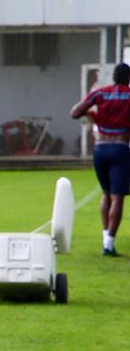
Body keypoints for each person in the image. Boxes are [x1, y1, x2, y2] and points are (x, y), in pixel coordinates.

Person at [70, 62, 130, 256]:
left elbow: (74, 113)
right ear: (128, 78)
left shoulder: (100, 93)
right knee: (117, 198)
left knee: (106, 194)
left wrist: (92, 114)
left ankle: (105, 237)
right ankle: (109, 245)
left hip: (100, 148)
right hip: (120, 148)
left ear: (113, 77)